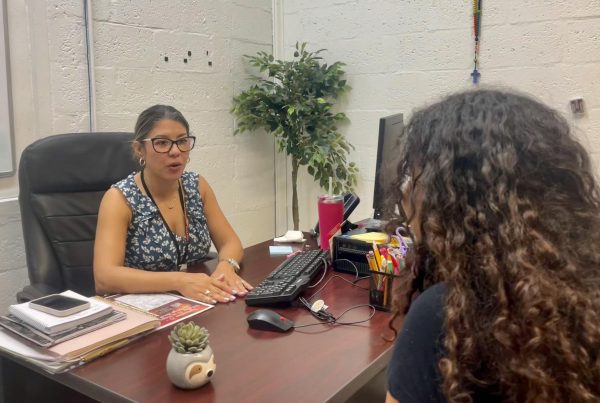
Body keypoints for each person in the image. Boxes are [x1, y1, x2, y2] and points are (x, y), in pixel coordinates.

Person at [385, 89, 600, 403]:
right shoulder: (583, 299)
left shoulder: (440, 317)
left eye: (413, 177)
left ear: (454, 198)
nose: (404, 193)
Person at [94, 105, 252, 304]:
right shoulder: (119, 198)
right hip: (143, 309)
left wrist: (226, 266)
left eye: (182, 141)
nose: (175, 151)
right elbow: (105, 277)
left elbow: (230, 242)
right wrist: (179, 281)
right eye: (162, 143)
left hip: (200, 300)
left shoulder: (196, 186)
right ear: (139, 149)